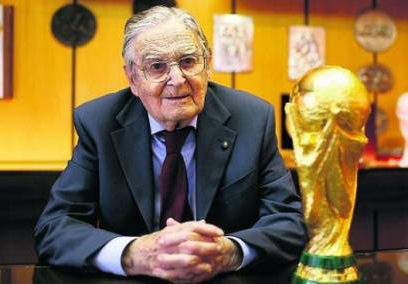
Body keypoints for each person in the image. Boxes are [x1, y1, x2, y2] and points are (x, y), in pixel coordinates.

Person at [34, 6, 306, 283]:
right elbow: (55, 228)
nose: (177, 80)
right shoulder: (99, 123)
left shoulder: (252, 119)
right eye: (156, 67)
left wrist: (229, 251)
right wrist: (133, 253)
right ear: (132, 78)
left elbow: (288, 222)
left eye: (188, 61)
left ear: (207, 64)